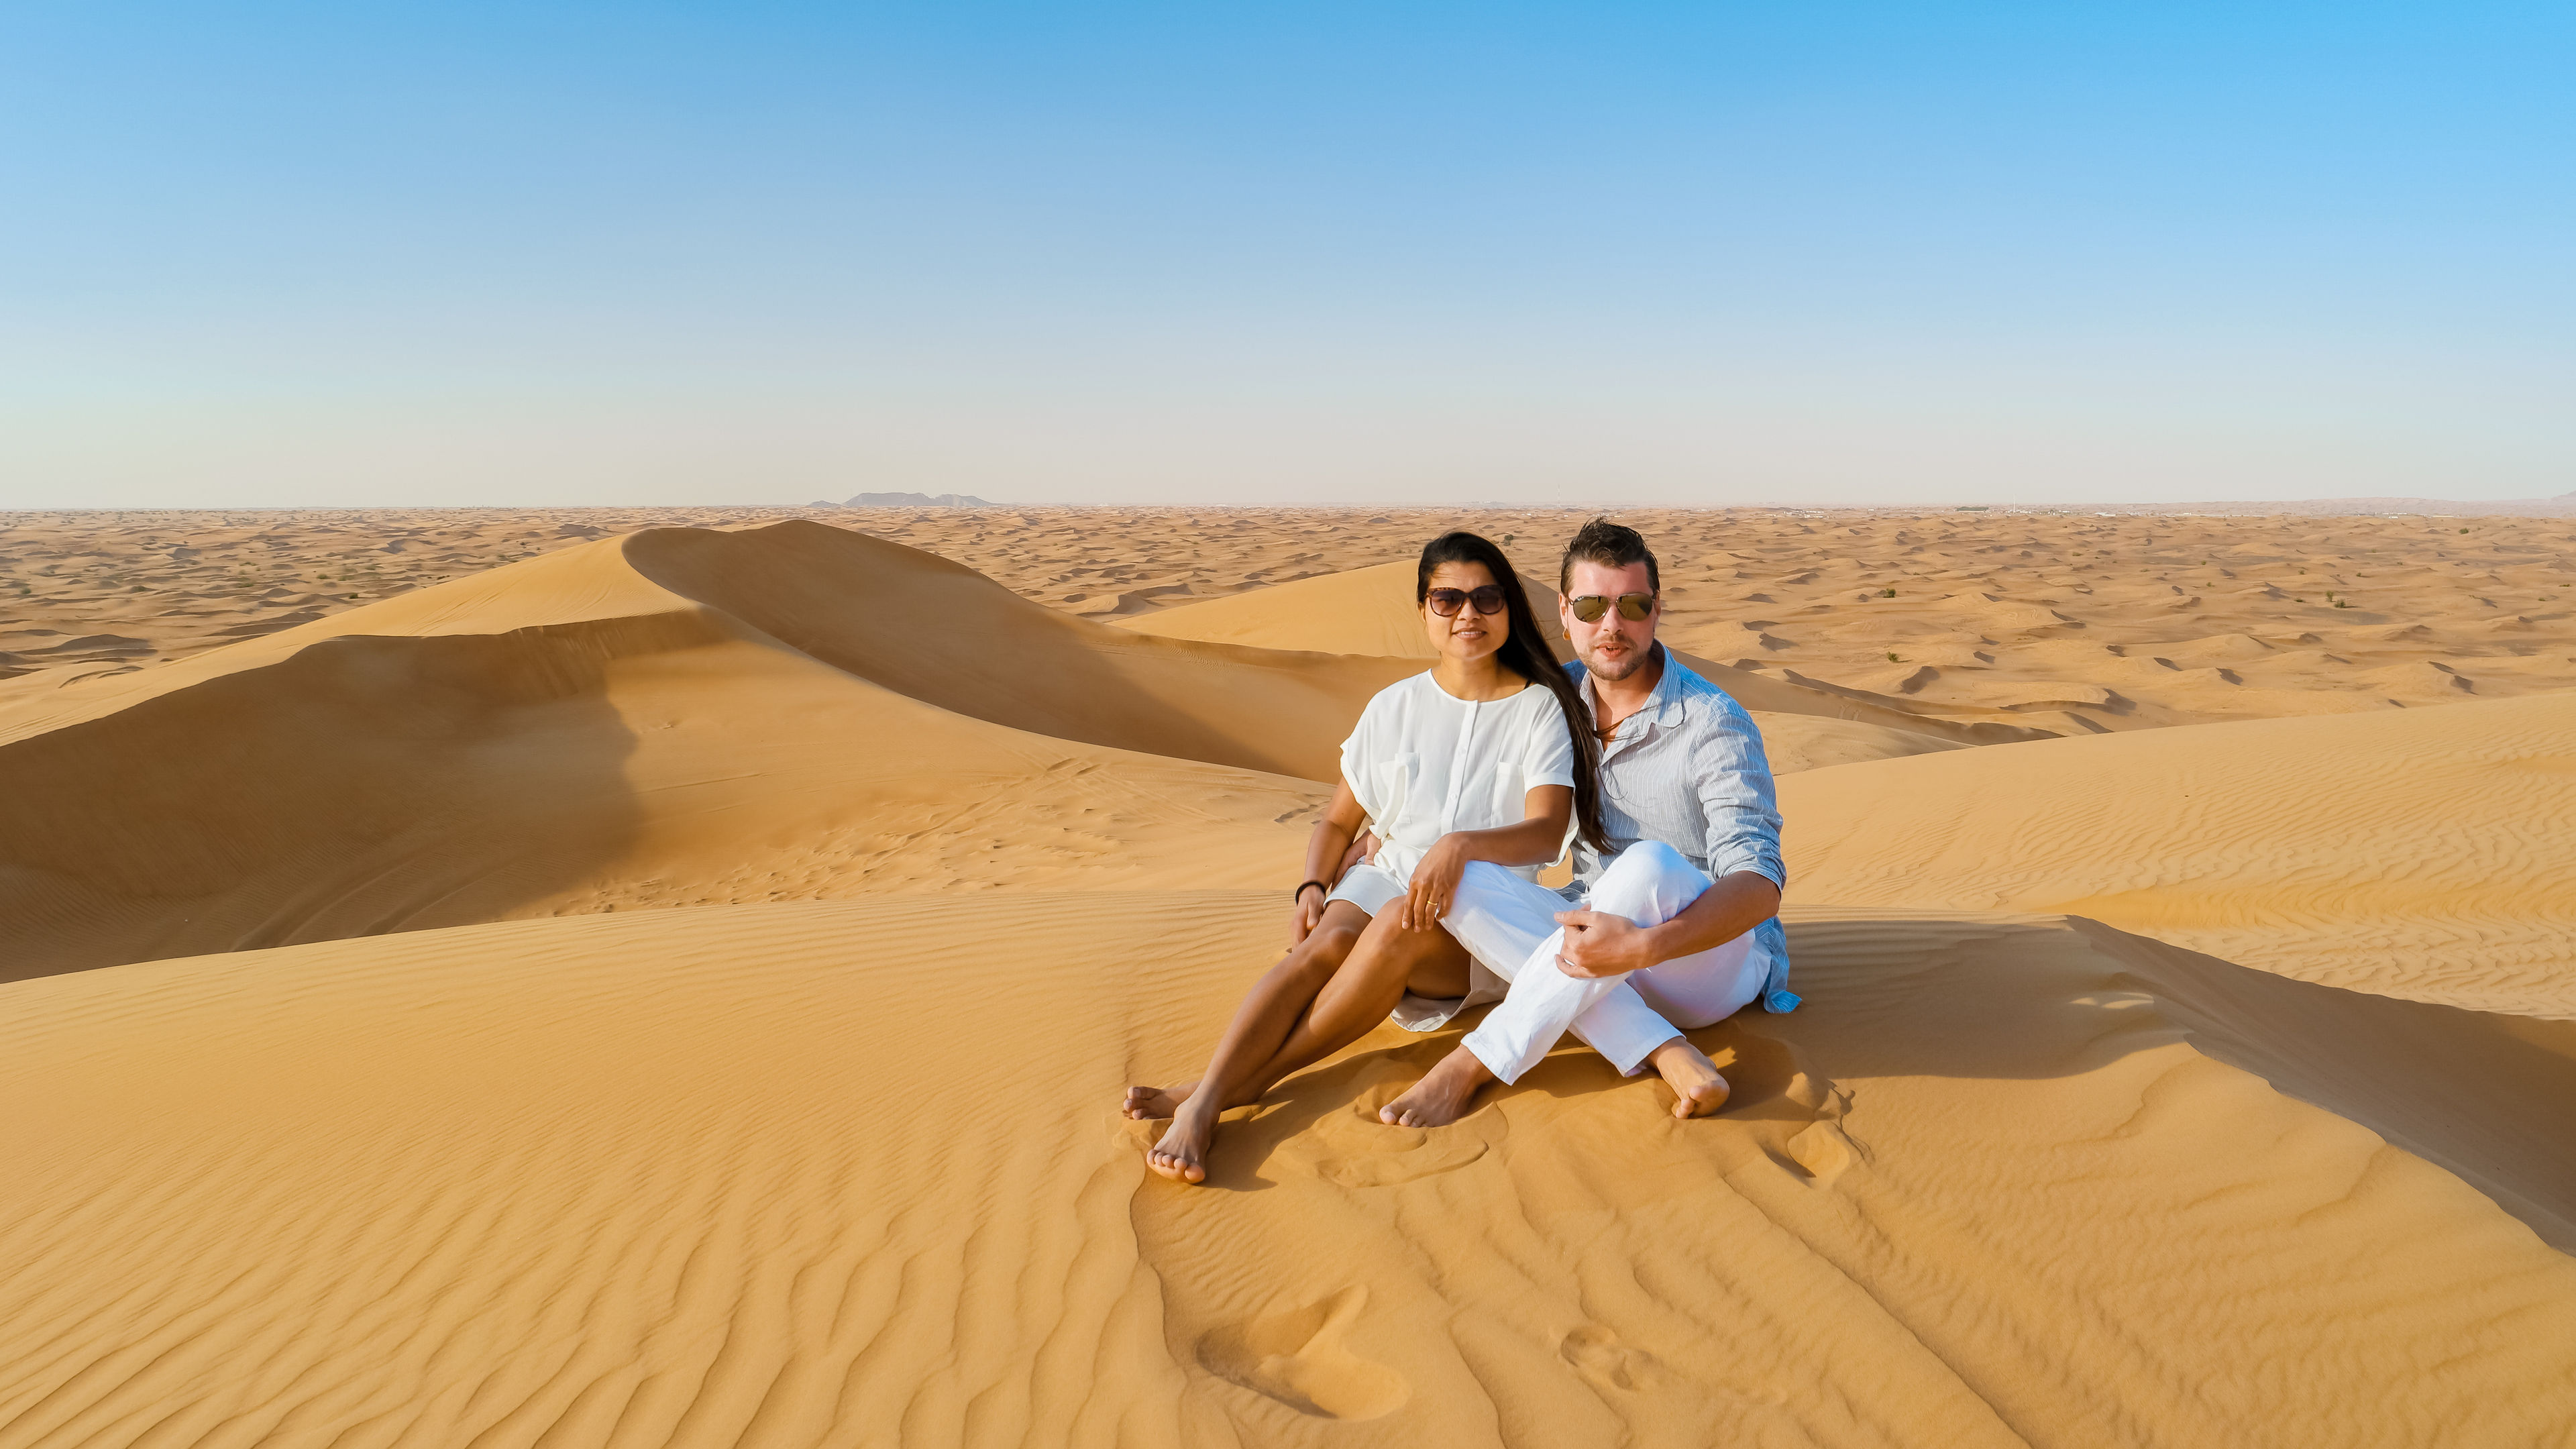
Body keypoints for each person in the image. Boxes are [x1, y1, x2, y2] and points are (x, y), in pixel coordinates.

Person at [1124, 530, 1609, 1184]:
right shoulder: (1393, 706)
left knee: (1386, 932)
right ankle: (1214, 1095)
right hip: (1384, 873)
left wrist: (1460, 846)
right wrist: (1310, 887)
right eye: (1448, 599)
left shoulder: (1538, 709)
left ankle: (1211, 1095)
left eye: (1487, 597)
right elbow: (1337, 818)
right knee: (1323, 947)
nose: (1468, 613)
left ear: (1510, 609)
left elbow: (1547, 832)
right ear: (1423, 612)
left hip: (1477, 905)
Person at [1372, 517, 1796, 1128]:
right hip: (1594, 952)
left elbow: (1759, 883)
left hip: (1699, 958)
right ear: (1566, 613)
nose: (1612, 625)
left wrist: (1646, 943)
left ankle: (1470, 1065)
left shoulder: (1713, 723)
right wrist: (1370, 835)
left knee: (1646, 864)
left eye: (1632, 605)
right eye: (1593, 605)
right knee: (1454, 867)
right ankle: (1661, 1048)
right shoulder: (1551, 702)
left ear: (1656, 611)